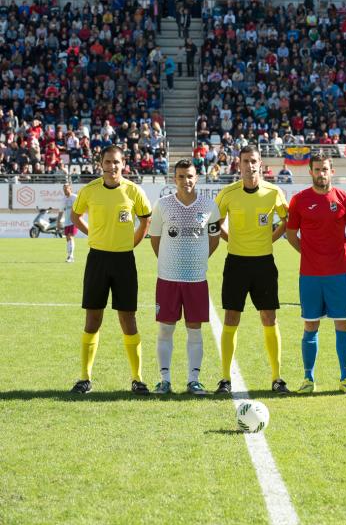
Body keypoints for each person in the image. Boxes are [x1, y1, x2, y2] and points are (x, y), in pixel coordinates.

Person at [70, 145, 152, 394]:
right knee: (93, 318)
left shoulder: (133, 191)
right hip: (97, 260)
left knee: (128, 318)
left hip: (124, 261)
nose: (112, 166)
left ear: (123, 163)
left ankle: (137, 379)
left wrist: (133, 242)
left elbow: (145, 219)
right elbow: (75, 217)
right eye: (107, 162)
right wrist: (92, 234)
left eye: (116, 162)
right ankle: (85, 378)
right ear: (101, 164)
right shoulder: (89, 190)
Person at [214, 145, 289, 394]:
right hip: (236, 262)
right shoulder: (228, 193)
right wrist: (232, 240)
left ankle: (277, 378)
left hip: (264, 263)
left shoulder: (274, 192)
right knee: (231, 318)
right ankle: (225, 379)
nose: (250, 165)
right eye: (245, 161)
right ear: (239, 164)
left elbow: (287, 221)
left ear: (260, 163)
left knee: (269, 318)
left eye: (254, 160)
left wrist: (270, 239)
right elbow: (215, 223)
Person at [286, 154, 346, 394]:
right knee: (310, 325)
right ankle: (308, 379)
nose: (321, 173)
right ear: (310, 171)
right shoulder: (299, 200)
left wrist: (342, 252)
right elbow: (290, 234)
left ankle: (345, 377)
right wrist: (308, 253)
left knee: (343, 324)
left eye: (325, 169)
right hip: (310, 274)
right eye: (317, 169)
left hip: (339, 273)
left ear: (332, 171)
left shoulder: (344, 199)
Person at [150, 159, 220, 395]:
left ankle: (193, 380)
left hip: (196, 279)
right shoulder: (162, 205)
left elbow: (214, 240)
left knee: (195, 330)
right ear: (174, 179)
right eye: (181, 176)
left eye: (189, 176)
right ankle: (165, 380)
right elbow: (156, 240)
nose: (185, 181)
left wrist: (198, 259)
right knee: (165, 330)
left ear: (196, 177)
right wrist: (169, 262)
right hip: (168, 278)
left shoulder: (210, 205)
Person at [61, 182, 78, 263]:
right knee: (67, 238)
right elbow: (61, 211)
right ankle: (69, 255)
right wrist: (58, 221)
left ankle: (70, 256)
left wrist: (78, 218)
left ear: (70, 189)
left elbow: (80, 207)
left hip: (73, 221)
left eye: (66, 188)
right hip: (66, 221)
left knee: (70, 237)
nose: (64, 190)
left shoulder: (75, 197)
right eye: (63, 189)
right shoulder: (63, 199)